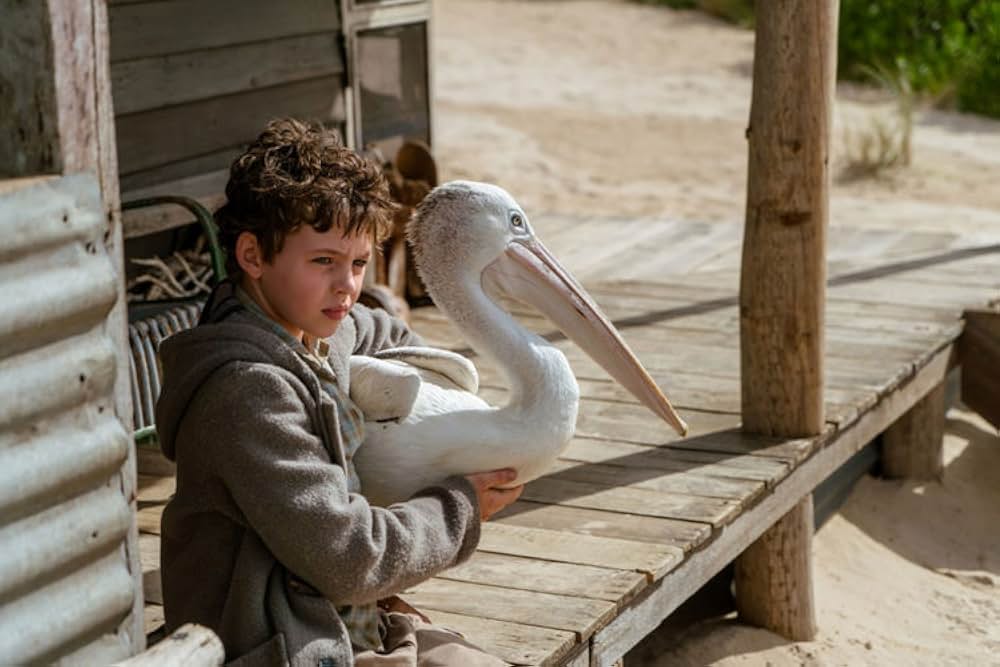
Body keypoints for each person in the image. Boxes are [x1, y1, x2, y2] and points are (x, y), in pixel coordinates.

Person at [155, 118, 523, 666]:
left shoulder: (318, 330)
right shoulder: (246, 392)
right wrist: (459, 507)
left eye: (357, 263)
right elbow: (351, 559)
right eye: (323, 261)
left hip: (351, 624)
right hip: (286, 647)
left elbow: (386, 335)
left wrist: (418, 393)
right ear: (253, 256)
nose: (346, 286)